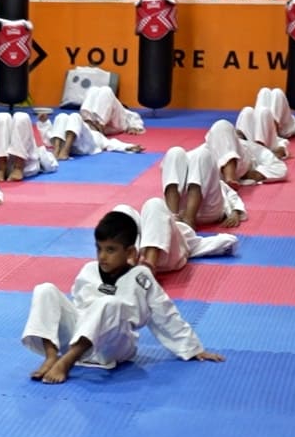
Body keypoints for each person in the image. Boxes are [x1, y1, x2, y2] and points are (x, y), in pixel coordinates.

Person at [24, 210, 224, 385]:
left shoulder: (141, 277)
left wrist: (193, 348)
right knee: (45, 289)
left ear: (130, 252)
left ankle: (66, 362)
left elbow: (165, 313)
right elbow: (77, 307)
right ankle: (51, 355)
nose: (102, 256)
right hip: (81, 339)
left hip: (114, 345)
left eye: (111, 250)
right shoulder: (88, 270)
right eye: (99, 248)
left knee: (109, 303)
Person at [160, 120, 247, 228]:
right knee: (175, 152)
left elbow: (231, 193)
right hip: (180, 208)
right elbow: (167, 166)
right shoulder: (203, 149)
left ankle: (188, 218)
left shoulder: (244, 148)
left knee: (202, 155)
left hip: (208, 210)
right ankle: (173, 216)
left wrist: (235, 211)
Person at [130, 199, 238, 275]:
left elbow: (229, 242)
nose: (180, 216)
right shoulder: (150, 222)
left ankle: (149, 266)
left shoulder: (185, 235)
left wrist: (234, 213)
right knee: (126, 210)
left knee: (154, 204)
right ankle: (129, 265)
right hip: (133, 257)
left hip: (158, 259)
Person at [0, 111, 60, 183]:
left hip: (26, 163)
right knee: (1, 117)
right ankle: (1, 168)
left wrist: (44, 124)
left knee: (22, 117)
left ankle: (18, 167)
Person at [46, 111, 143, 161]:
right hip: (71, 145)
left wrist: (128, 147)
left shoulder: (99, 136)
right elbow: (49, 137)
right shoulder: (70, 126)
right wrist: (43, 122)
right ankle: (57, 150)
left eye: (95, 123)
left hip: (86, 147)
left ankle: (65, 151)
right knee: (61, 116)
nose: (93, 123)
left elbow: (112, 144)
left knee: (75, 116)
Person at [78, 83, 145, 136]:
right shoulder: (96, 106)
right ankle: (88, 122)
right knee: (93, 89)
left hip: (112, 125)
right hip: (93, 123)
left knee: (107, 90)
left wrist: (135, 127)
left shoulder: (124, 112)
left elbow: (135, 118)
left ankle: (97, 125)